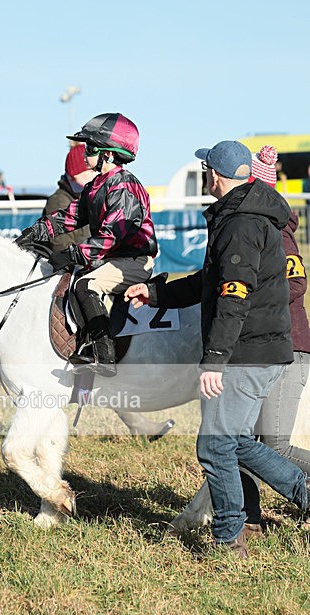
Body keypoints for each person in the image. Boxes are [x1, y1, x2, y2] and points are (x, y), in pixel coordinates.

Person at [124, 140, 309, 558]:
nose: (205, 174)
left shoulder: (241, 222)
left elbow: (234, 296)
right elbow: (208, 283)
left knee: (214, 444)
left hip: (249, 352)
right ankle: (301, 493)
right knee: (236, 441)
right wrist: (154, 295)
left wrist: (215, 360)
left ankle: (228, 539)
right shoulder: (239, 215)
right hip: (259, 350)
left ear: (215, 176)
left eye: (206, 168)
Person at [16, 113, 158, 376]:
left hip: (134, 261)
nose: (84, 153)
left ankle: (104, 354)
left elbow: (109, 237)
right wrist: (34, 232)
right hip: (114, 257)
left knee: (85, 285)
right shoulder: (96, 185)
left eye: (91, 148)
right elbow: (70, 217)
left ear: (110, 154)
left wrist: (70, 254)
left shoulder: (124, 187)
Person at [239, 145, 310, 530]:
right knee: (240, 439)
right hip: (259, 349)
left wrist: (244, 295)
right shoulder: (244, 226)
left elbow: (296, 283)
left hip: (289, 349)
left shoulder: (274, 230)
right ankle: (249, 520)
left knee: (273, 447)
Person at [43, 144, 96, 250]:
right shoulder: (59, 202)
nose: (96, 174)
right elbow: (58, 242)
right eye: (91, 171)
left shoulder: (88, 199)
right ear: (75, 174)